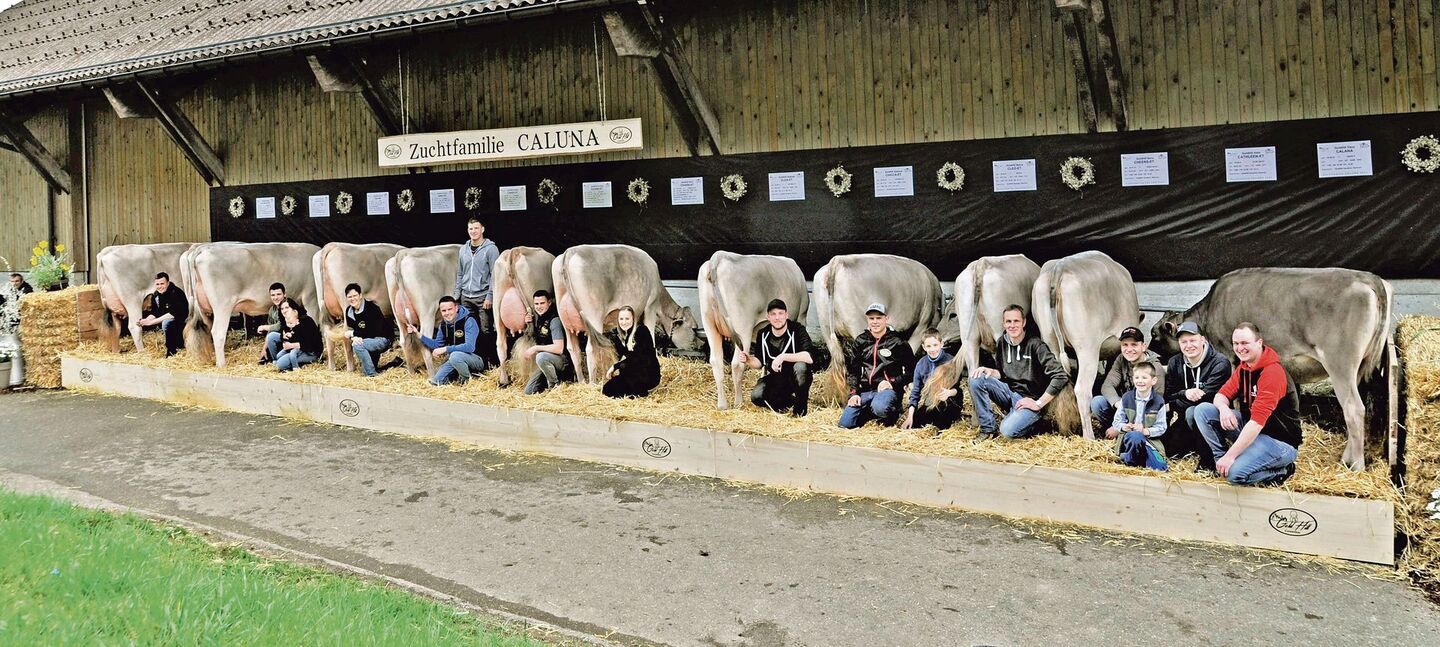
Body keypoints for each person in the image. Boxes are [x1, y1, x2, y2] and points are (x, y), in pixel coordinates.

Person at [1194, 322, 1303, 486]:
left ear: (1259, 343)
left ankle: (1283, 470)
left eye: (1245, 343)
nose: (1240, 348)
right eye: (1236, 343)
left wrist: (1231, 456)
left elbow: (1256, 423)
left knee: (1234, 475)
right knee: (1203, 410)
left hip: (1278, 441)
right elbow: (1221, 395)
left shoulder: (1272, 373)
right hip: (1252, 432)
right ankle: (1219, 461)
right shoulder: (1244, 368)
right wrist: (1224, 409)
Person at [968, 304, 1070, 439]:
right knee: (976, 379)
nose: (1012, 325)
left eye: (1016, 321)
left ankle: (1035, 422)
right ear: (1003, 324)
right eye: (1008, 321)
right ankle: (988, 429)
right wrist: (989, 371)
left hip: (1029, 400)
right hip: (1009, 394)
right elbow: (1002, 374)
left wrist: (1038, 403)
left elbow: (1060, 376)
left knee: (1006, 431)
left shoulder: (1035, 345)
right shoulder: (1002, 342)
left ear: (1024, 322)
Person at [1161, 321, 1232, 468]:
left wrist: (1173, 405)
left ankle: (1211, 457)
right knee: (1170, 452)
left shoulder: (1220, 363)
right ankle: (1193, 445)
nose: (1188, 346)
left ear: (1202, 340)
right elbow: (1169, 394)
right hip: (1185, 417)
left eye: (1193, 340)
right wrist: (1185, 393)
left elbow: (1207, 397)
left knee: (1195, 411)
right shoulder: (1175, 362)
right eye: (1184, 342)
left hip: (1212, 419)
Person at [838, 303, 914, 429]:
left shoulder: (898, 342)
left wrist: (892, 382)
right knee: (845, 424)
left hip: (888, 391)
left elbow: (912, 372)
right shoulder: (861, 341)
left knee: (880, 408)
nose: (875, 322)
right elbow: (853, 370)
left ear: (886, 319)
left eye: (879, 318)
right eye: (871, 318)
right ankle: (870, 410)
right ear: (867, 319)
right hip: (865, 391)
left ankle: (893, 410)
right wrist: (854, 393)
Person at [738, 298, 814, 416]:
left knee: (800, 367)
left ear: (786, 315)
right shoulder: (763, 334)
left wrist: (783, 357)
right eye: (773, 314)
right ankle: (789, 402)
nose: (777, 317)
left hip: (796, 377)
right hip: (777, 378)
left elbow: (809, 357)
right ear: (768, 317)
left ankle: (799, 412)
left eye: (780, 313)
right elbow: (759, 362)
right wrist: (748, 360)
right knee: (756, 396)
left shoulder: (797, 329)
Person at [1091, 326, 1165, 428]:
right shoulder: (1121, 359)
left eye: (1134, 344)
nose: (1129, 349)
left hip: (1146, 415)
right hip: (1125, 408)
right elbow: (1107, 385)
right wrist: (1119, 404)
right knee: (1098, 402)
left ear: (1143, 346)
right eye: (1125, 345)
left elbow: (1156, 402)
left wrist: (1122, 426)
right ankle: (1113, 430)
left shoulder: (1155, 367)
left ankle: (1122, 432)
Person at [455, 217, 500, 370]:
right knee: (471, 330)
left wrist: (490, 296)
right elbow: (460, 273)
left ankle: (492, 361)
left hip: (483, 296)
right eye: (470, 228)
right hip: (466, 297)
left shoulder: (491, 249)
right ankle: (477, 361)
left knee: (486, 330)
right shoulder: (463, 249)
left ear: (482, 229)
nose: (473, 231)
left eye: (476, 228)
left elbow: (495, 274)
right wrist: (457, 295)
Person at [407, 297, 483, 386]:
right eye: (444, 311)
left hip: (476, 359)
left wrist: (445, 349)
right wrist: (418, 334)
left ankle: (466, 381)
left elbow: (470, 347)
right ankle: (449, 378)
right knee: (436, 380)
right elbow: (437, 344)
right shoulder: (443, 325)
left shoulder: (468, 321)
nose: (447, 313)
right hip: (455, 359)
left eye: (450, 309)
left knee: (455, 356)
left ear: (456, 308)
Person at [1109, 362, 1169, 471]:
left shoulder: (1159, 401)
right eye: (1137, 377)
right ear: (1133, 379)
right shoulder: (1126, 398)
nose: (1140, 381)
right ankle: (1130, 459)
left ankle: (1129, 458)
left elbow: (1162, 427)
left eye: (1144, 378)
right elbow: (1116, 421)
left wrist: (1145, 431)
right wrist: (1124, 427)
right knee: (1135, 436)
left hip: (1148, 441)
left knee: (1161, 468)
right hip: (1130, 439)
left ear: (1153, 381)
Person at [901, 329, 962, 432]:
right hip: (931, 402)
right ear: (924, 347)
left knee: (942, 421)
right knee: (916, 422)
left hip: (949, 401)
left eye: (935, 345)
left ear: (941, 344)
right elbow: (915, 392)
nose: (932, 349)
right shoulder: (921, 364)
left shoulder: (952, 361)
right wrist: (910, 417)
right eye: (928, 346)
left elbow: (958, 388)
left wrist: (949, 393)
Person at [601, 306, 660, 398]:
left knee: (627, 389)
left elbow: (639, 358)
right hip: (631, 372)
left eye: (627, 319)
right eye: (621, 319)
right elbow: (622, 356)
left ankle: (641, 391)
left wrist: (615, 367)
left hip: (647, 373)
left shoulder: (642, 331)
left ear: (633, 319)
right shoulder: (620, 336)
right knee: (608, 389)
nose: (624, 322)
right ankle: (632, 390)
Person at [522, 290, 569, 395]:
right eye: (536, 304)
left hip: (561, 361)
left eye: (542, 303)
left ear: (549, 303)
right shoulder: (539, 319)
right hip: (545, 361)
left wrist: (535, 348)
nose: (539, 307)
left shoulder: (554, 320)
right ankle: (546, 383)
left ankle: (555, 386)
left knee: (541, 357)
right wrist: (528, 324)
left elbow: (559, 348)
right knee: (528, 392)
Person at [344, 283, 393, 377]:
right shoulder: (349, 312)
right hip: (367, 341)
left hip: (382, 339)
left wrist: (353, 334)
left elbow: (374, 331)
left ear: (360, 295)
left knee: (358, 346)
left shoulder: (371, 308)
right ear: (346, 298)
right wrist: (354, 337)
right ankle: (390, 364)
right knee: (366, 369)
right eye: (349, 297)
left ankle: (372, 376)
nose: (352, 299)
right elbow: (354, 330)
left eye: (355, 295)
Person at [136, 272, 188, 357]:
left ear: (168, 283)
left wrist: (151, 322)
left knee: (166, 323)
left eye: (162, 284)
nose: (159, 286)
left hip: (181, 322)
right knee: (160, 323)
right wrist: (146, 320)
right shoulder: (156, 295)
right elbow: (155, 312)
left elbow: (173, 314)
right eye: (157, 284)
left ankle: (173, 351)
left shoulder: (176, 292)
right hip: (167, 320)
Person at [274, 299, 322, 372]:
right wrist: (283, 337)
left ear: (294, 310)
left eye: (287, 308)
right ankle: (297, 363)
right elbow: (285, 335)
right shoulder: (286, 320)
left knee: (280, 364)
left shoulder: (306, 321)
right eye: (282, 309)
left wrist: (291, 345)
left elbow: (310, 343)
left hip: (311, 352)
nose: (284, 311)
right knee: (278, 356)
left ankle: (301, 365)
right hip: (297, 350)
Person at [257, 283, 287, 365]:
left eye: (278, 294)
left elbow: (281, 325)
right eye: (273, 295)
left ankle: (278, 361)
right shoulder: (272, 310)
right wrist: (264, 349)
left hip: (291, 338)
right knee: (265, 357)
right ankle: (275, 360)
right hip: (279, 338)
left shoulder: (287, 306)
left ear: (284, 294)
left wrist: (264, 327)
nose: (276, 297)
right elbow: (270, 331)